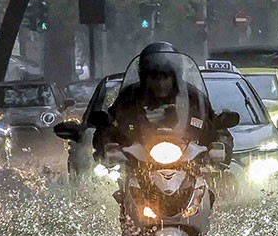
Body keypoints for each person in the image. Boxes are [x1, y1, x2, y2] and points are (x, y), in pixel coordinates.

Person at [94, 42, 229, 161]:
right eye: (153, 77)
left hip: (188, 164)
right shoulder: (129, 97)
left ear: (175, 77)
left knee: (214, 185)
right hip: (137, 165)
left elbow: (214, 127)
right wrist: (110, 146)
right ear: (144, 77)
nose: (160, 83)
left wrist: (219, 147)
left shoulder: (193, 98)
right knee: (114, 187)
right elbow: (110, 126)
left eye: (165, 77)